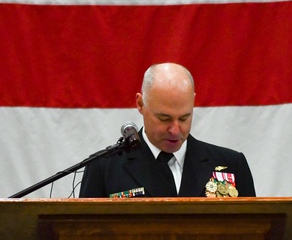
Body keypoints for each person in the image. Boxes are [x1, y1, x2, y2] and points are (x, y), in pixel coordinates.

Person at [79, 62, 256, 198]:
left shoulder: (232, 165)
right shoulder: (103, 169)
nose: (175, 130)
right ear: (140, 104)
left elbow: (253, 236)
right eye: (164, 119)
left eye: (184, 118)